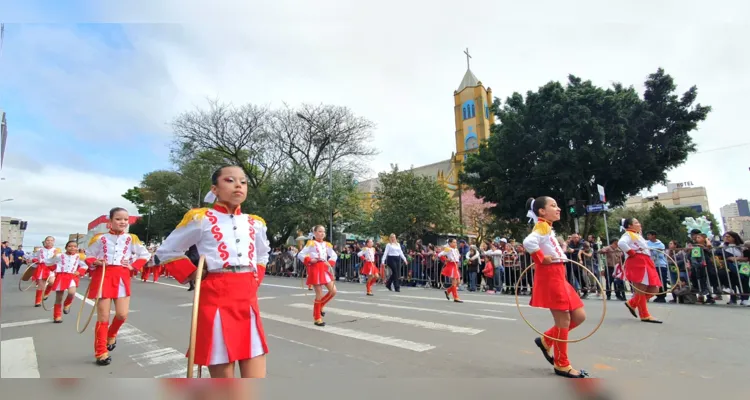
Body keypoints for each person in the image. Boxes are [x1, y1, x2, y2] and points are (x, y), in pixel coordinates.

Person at [156, 165, 271, 378]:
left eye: (243, 182)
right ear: (214, 189)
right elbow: (167, 250)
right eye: (229, 180)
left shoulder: (255, 223)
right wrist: (193, 275)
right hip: (215, 295)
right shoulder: (201, 218)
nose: (238, 185)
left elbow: (263, 255)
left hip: (247, 297)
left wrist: (256, 279)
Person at [523, 196, 588, 378]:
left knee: (579, 316)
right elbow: (528, 242)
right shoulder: (542, 226)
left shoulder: (547, 227)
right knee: (564, 321)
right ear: (542, 211)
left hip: (559, 275)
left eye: (557, 205)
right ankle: (562, 364)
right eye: (553, 206)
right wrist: (541, 258)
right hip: (551, 276)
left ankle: (546, 340)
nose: (558, 208)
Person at [85, 207, 151, 366]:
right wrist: (95, 261)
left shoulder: (132, 238)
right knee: (103, 317)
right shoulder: (100, 238)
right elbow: (88, 255)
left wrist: (133, 266)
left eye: (125, 220)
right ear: (110, 221)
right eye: (118, 219)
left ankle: (111, 334)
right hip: (103, 276)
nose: (122, 222)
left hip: (122, 277)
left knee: (122, 315)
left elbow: (145, 255)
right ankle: (101, 352)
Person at [618, 218, 662, 323]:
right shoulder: (628, 234)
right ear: (629, 226)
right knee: (641, 289)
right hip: (638, 262)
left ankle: (633, 303)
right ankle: (644, 314)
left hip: (646, 262)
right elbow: (621, 243)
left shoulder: (637, 235)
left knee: (654, 289)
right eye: (636, 223)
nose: (639, 224)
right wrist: (631, 252)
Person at [297, 225, 338, 326]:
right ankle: (317, 318)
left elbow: (334, 255)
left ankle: (321, 306)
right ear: (315, 233)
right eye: (320, 231)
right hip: (315, 269)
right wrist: (311, 260)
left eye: (323, 231)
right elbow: (300, 255)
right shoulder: (311, 243)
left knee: (333, 291)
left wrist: (330, 262)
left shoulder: (326, 244)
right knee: (319, 294)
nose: (322, 233)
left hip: (324, 268)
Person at [46, 240, 88, 323]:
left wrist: (79, 271)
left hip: (72, 276)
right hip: (61, 276)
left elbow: (85, 265)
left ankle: (67, 304)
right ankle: (57, 316)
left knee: (72, 292)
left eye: (75, 246)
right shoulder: (59, 255)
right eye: (70, 246)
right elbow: (48, 262)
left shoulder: (78, 256)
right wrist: (54, 265)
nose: (72, 248)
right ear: (66, 247)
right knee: (59, 297)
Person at [30, 236, 60, 307]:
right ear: (45, 241)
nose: (49, 242)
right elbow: (33, 257)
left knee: (52, 282)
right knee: (41, 285)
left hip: (51, 268)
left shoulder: (57, 250)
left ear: (53, 242)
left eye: (51, 240)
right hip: (42, 268)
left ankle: (46, 293)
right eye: (48, 240)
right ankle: (37, 301)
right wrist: (34, 260)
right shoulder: (40, 250)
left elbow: (60, 259)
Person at [438, 238, 463, 303]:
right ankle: (456, 297)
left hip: (456, 265)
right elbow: (440, 255)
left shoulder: (456, 249)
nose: (455, 243)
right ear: (450, 243)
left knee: (458, 282)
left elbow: (458, 257)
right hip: (451, 266)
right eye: (454, 242)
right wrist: (446, 259)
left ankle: (448, 291)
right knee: (454, 282)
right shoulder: (448, 249)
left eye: (455, 242)